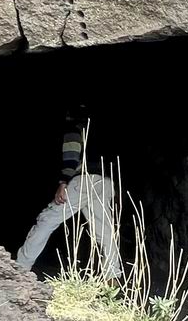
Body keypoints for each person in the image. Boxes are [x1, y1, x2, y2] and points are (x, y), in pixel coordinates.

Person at [13, 110, 122, 279]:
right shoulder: (103, 133)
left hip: (84, 180)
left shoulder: (74, 129)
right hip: (106, 182)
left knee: (47, 219)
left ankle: (20, 268)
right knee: (105, 231)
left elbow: (71, 156)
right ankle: (113, 277)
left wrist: (63, 182)